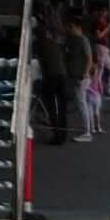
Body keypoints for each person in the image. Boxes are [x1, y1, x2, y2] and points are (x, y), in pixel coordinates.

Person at [35, 8, 71, 145]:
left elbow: (40, 63)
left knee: (51, 106)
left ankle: (56, 134)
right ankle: (63, 133)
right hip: (62, 74)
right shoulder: (56, 43)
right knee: (62, 106)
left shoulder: (39, 45)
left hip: (50, 76)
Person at [65, 14, 97, 143]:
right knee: (84, 103)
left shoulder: (83, 40)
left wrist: (84, 73)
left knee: (81, 104)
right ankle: (88, 129)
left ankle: (86, 132)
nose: (69, 29)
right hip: (78, 76)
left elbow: (89, 57)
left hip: (82, 77)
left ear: (78, 27)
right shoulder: (74, 39)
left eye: (71, 27)